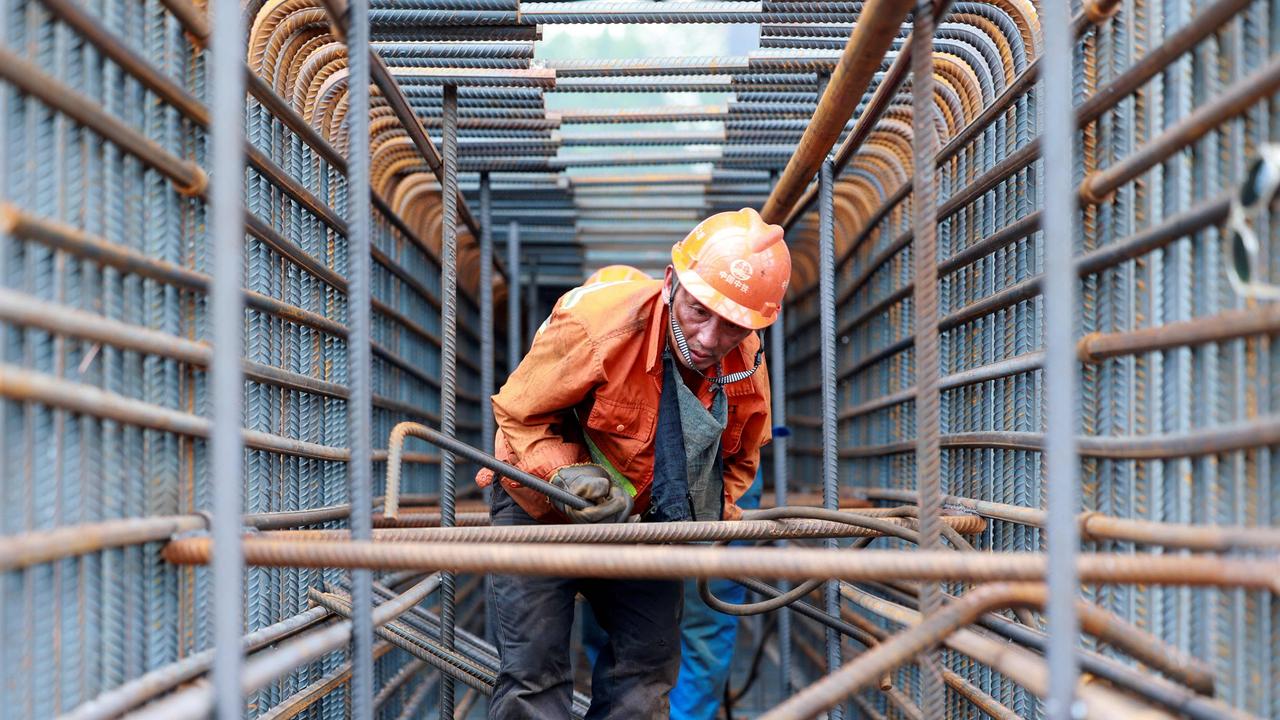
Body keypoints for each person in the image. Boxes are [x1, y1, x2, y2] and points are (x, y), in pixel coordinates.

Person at [475, 207, 791, 719]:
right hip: (536, 505)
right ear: (671, 283)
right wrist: (562, 475)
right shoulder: (595, 328)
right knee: (534, 672)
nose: (711, 339)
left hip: (645, 526)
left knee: (645, 670)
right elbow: (518, 414)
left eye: (733, 326)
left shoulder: (744, 364)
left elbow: (739, 460)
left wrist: (702, 521)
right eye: (699, 312)